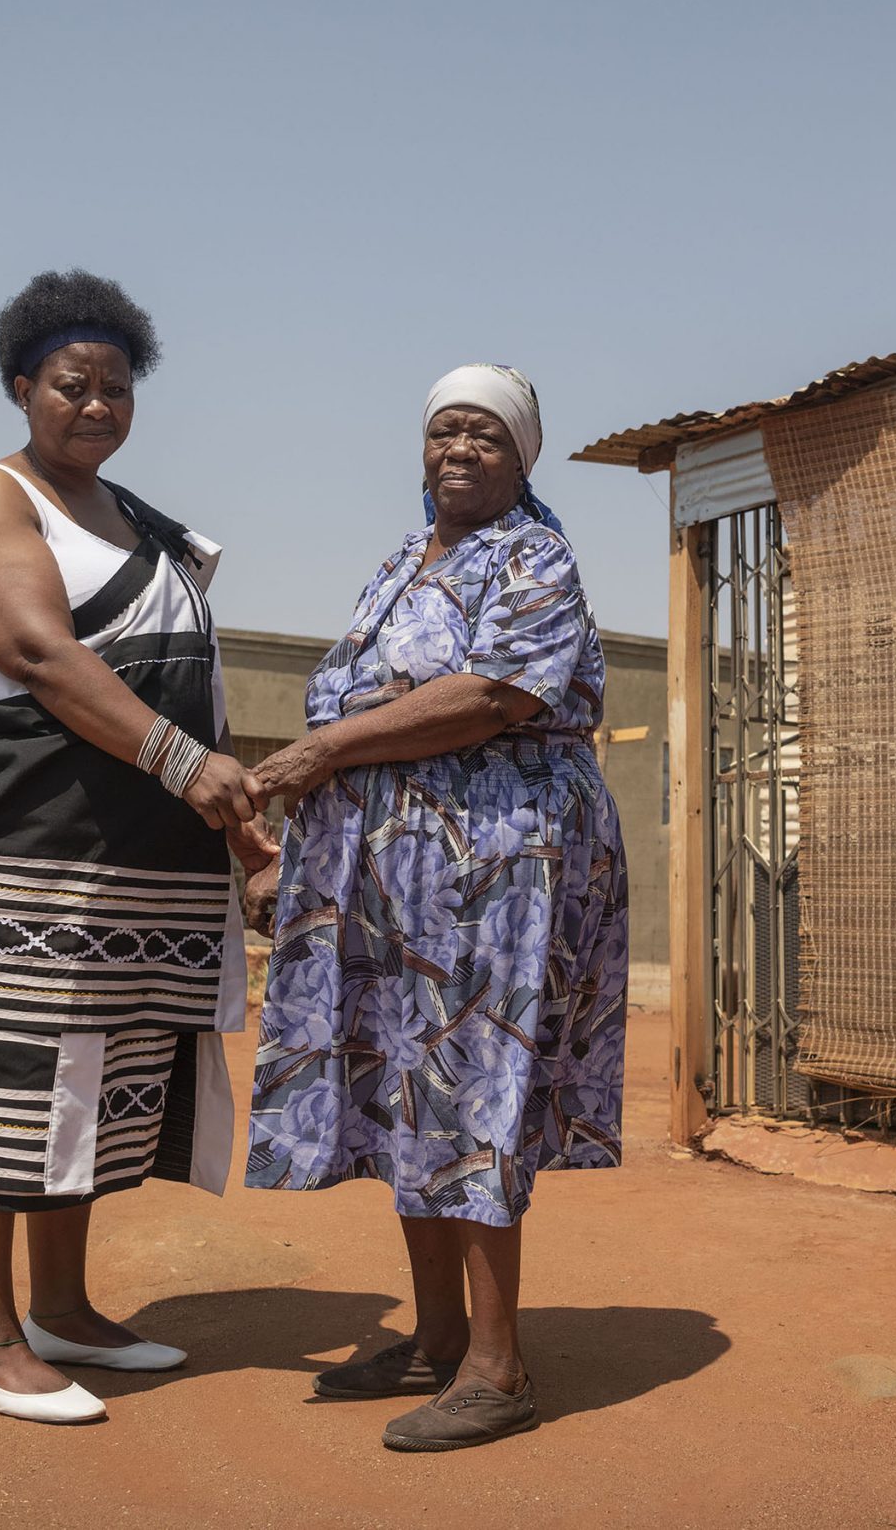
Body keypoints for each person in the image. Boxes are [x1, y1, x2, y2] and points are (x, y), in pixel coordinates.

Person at [0, 269, 273, 1424]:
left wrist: (238, 824)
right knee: (1, 1080)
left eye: (116, 387)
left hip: (139, 858)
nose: (96, 405)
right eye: (71, 384)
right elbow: (40, 653)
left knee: (94, 1078)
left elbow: (188, 693)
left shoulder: (139, 519)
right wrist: (185, 766)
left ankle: (60, 1308)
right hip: (24, 848)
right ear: (23, 388)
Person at [242, 364, 629, 1453]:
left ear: (523, 458)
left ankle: (499, 1370)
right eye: (444, 432)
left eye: (487, 437)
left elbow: (489, 697)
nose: (461, 450)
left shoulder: (535, 557)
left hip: (496, 862)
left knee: (471, 1083)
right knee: (405, 1081)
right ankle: (438, 1335)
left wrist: (320, 751)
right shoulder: (403, 562)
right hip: (395, 865)